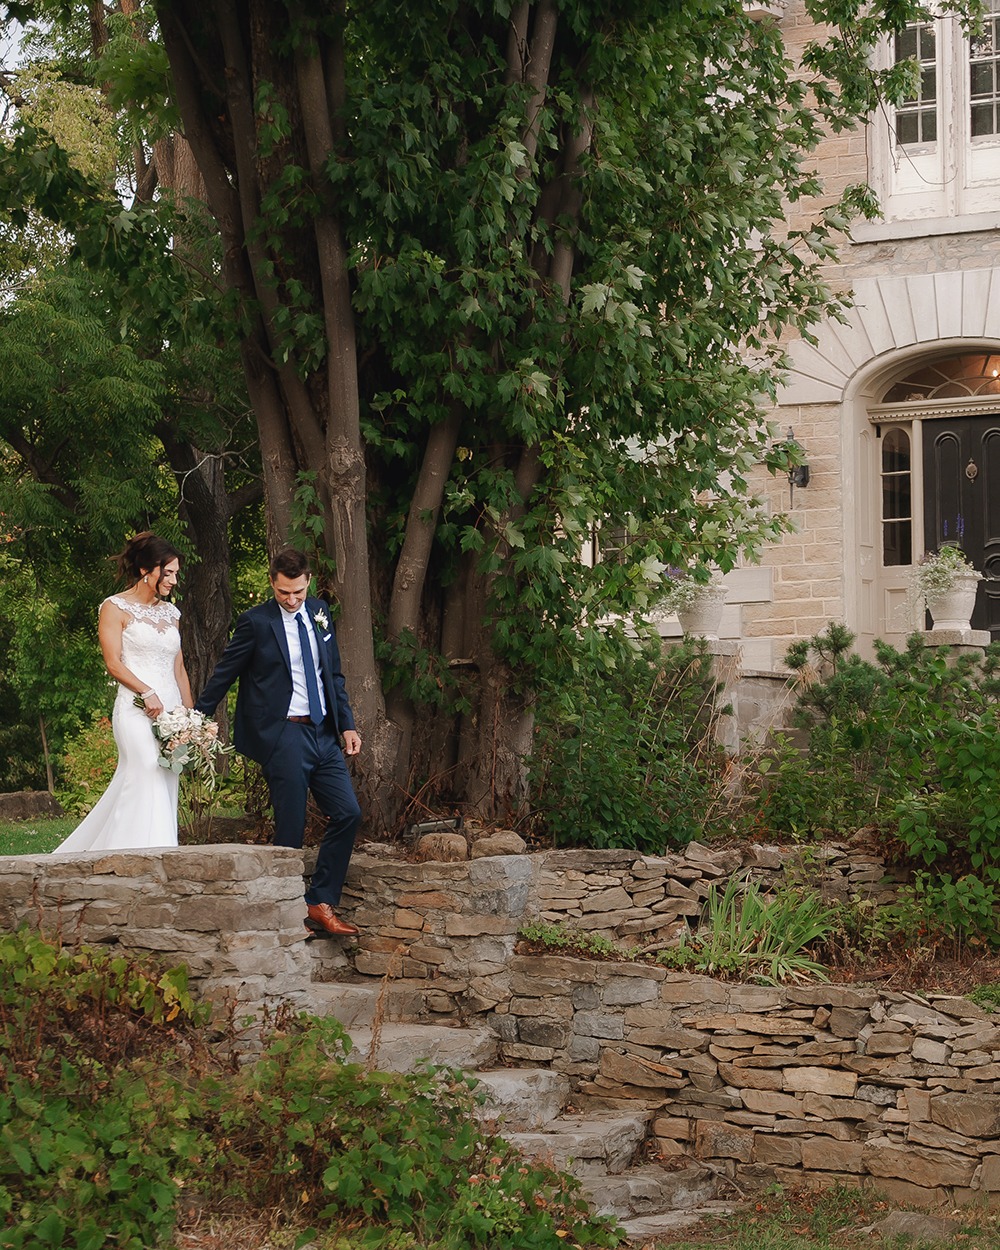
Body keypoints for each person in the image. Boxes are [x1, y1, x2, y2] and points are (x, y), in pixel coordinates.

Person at [194, 547, 362, 937]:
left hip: (323, 732)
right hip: (283, 733)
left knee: (348, 812)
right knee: (291, 825)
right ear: (273, 582)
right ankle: (283, 914)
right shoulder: (255, 622)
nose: (291, 600)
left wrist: (348, 726)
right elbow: (225, 673)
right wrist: (195, 719)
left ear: (308, 583)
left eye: (298, 593)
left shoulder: (320, 613)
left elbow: (333, 676)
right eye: (284, 592)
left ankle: (318, 901)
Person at [54, 533, 193, 853]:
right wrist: (147, 692)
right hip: (135, 709)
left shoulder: (172, 613)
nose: (173, 579)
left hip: (172, 713)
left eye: (175, 573)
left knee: (165, 780)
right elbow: (113, 663)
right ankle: (138, 858)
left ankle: (148, 856)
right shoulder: (114, 608)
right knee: (145, 768)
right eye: (167, 572)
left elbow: (180, 669)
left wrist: (189, 716)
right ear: (147, 571)